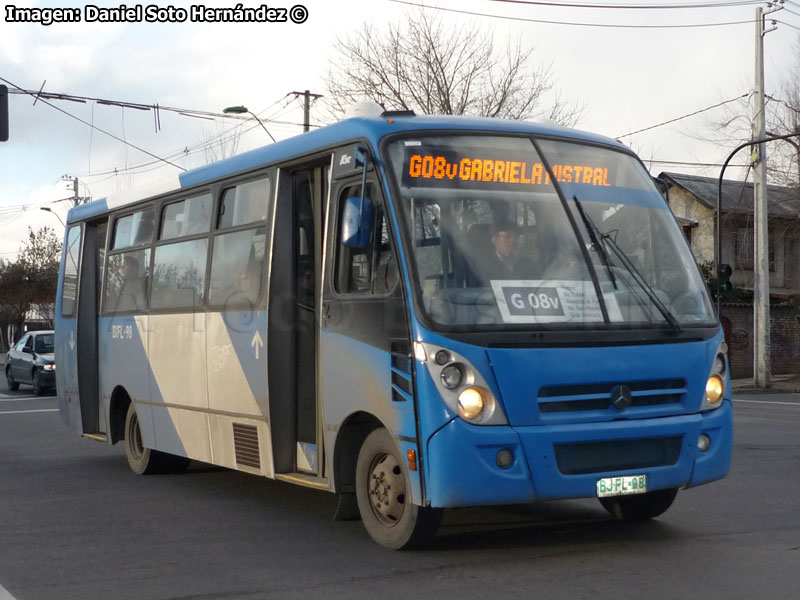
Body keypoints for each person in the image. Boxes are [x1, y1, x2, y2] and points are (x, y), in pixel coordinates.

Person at [473, 220, 539, 284]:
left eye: (516, 237)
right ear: (495, 239)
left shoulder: (528, 264)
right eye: (508, 237)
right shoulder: (482, 267)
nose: (513, 241)